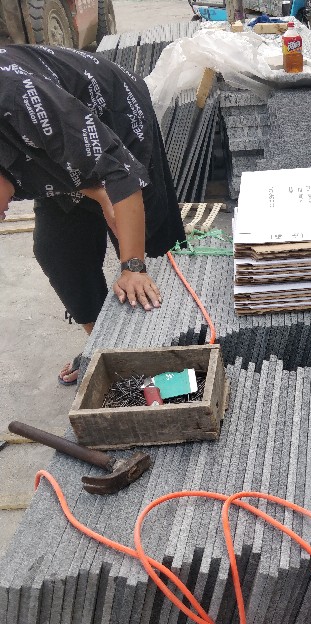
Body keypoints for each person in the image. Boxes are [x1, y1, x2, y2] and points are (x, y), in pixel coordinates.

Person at [0, 44, 186, 383]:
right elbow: (41, 164)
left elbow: (120, 170)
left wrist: (133, 266)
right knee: (58, 251)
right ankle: (105, 349)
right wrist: (99, 195)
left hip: (113, 111)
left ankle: (177, 350)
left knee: (152, 251)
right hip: (54, 137)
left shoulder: (18, 100)